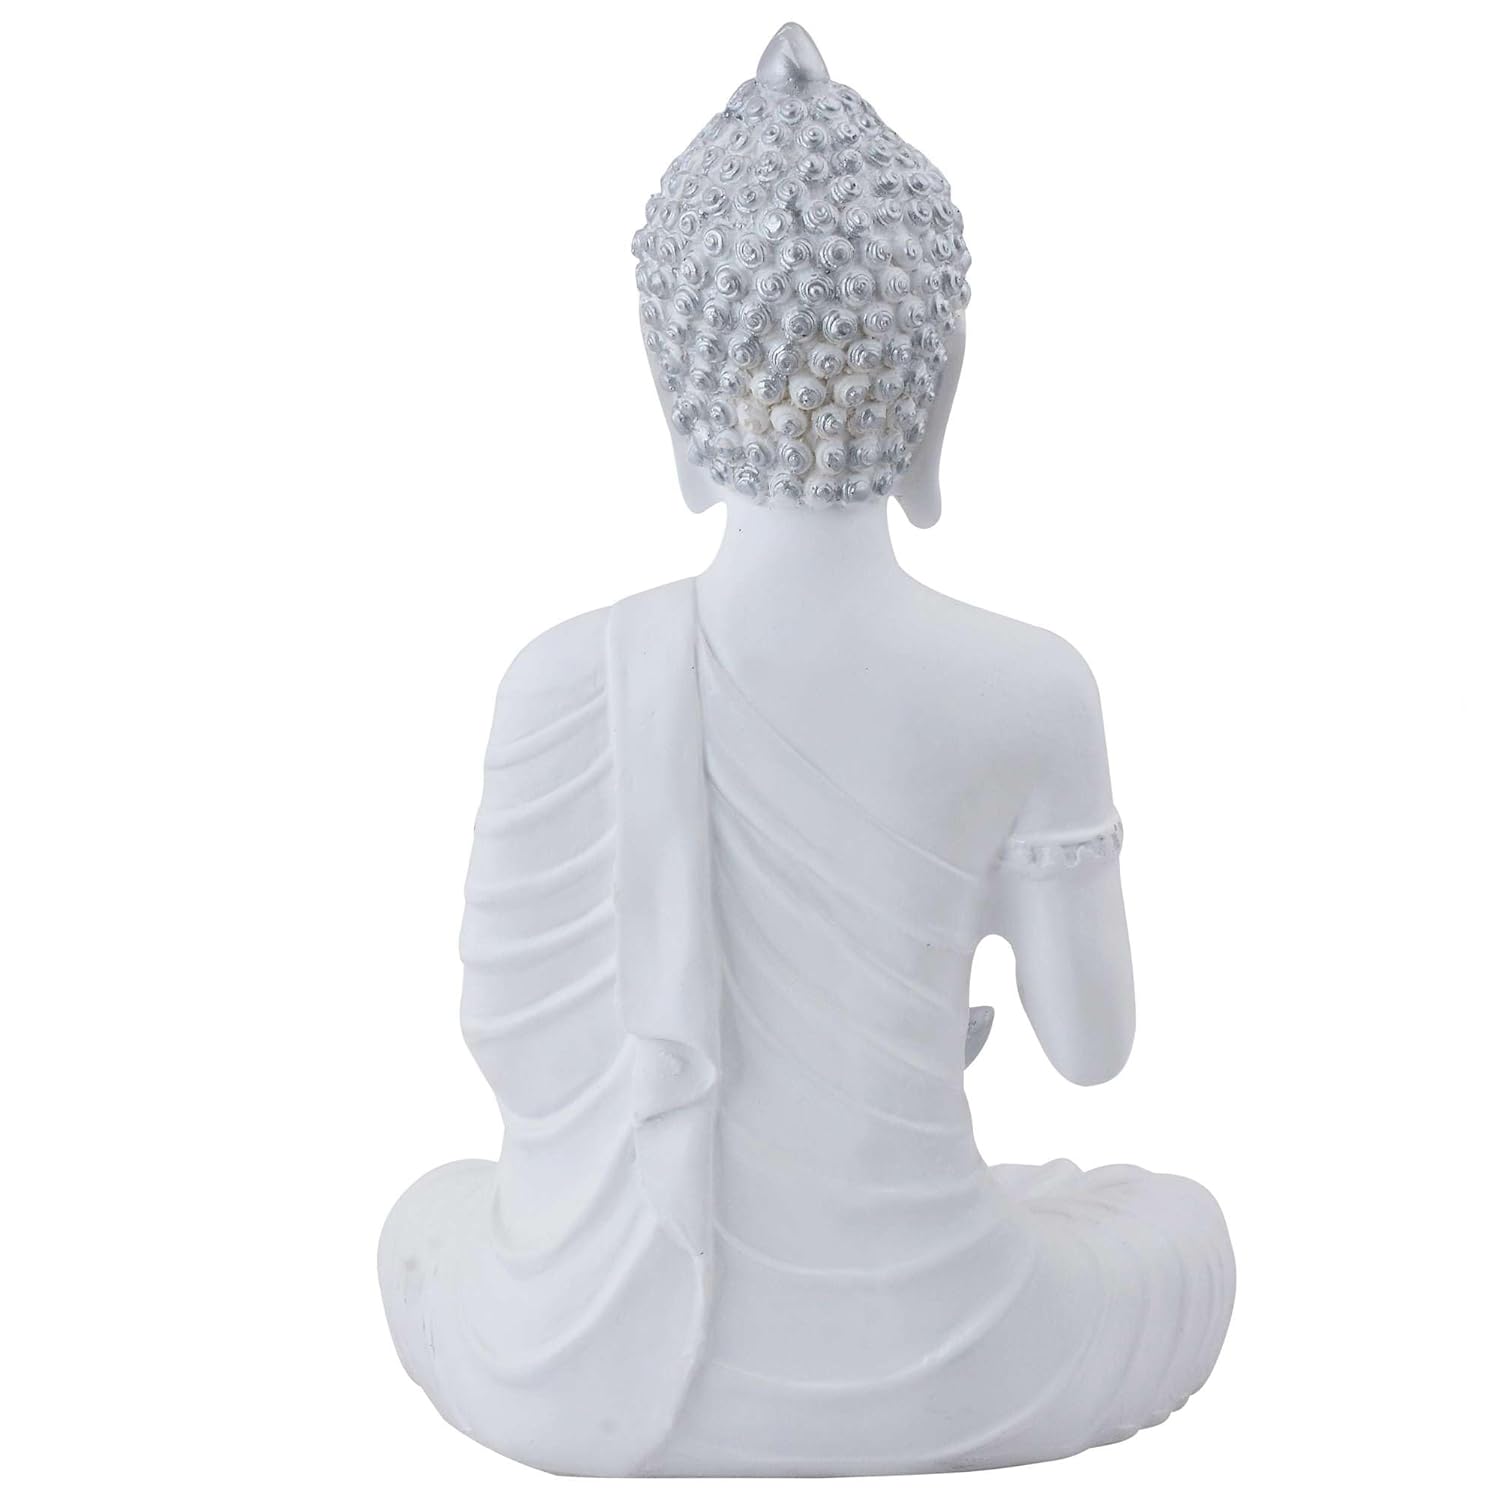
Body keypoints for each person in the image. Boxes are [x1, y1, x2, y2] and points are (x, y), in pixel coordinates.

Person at [379, 24, 1234, 1476]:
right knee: (1179, 1229)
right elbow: (1094, 1052)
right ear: (942, 381)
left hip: (572, 1368)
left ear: (673, 395)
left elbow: (508, 1040)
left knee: (425, 1222)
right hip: (953, 1355)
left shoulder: (554, 680)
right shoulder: (1034, 687)